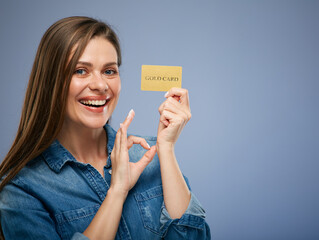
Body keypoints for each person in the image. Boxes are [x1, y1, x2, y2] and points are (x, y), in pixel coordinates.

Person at [0, 16, 210, 239]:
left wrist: (166, 147)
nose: (100, 85)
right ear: (51, 81)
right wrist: (117, 191)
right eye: (80, 70)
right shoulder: (22, 191)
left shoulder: (151, 155)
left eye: (109, 71)